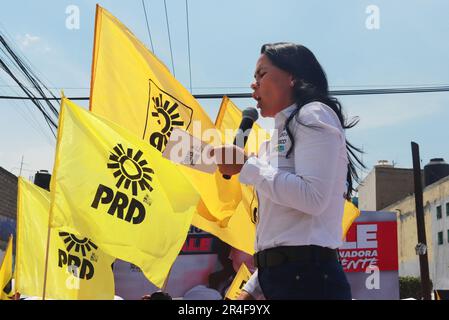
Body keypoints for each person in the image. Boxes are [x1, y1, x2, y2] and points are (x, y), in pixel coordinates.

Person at [213, 42, 364, 300]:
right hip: (280, 279)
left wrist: (246, 165)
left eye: (262, 74)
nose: (254, 84)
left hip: (311, 281)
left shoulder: (314, 114)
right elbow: (282, 237)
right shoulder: (270, 142)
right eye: (254, 78)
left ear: (292, 76)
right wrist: (251, 290)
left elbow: (313, 197)